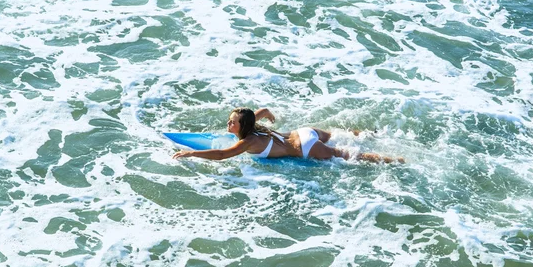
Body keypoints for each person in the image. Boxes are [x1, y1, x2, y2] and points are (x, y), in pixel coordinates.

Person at [172, 108, 404, 163]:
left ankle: (394, 160)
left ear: (242, 126)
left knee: (348, 155)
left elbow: (223, 153)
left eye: (232, 122)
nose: (228, 123)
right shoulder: (254, 126)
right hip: (305, 131)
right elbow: (259, 112)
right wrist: (268, 114)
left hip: (305, 147)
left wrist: (192, 153)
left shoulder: (248, 140)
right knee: (339, 135)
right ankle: (376, 134)